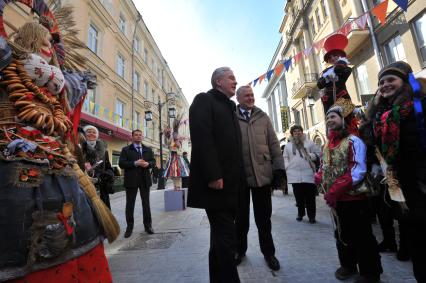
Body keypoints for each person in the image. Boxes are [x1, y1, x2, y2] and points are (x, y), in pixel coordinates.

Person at [362, 61, 426, 282]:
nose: (385, 84)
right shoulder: (383, 116)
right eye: (381, 82)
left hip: (421, 183)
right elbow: (370, 143)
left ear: (405, 81)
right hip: (402, 189)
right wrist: (372, 111)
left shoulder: (419, 105)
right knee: (418, 248)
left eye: (391, 79)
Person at [315, 106, 382, 282]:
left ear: (343, 119)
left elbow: (357, 170)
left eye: (334, 116)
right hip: (336, 201)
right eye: (328, 117)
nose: (330, 119)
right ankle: (348, 265)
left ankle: (370, 272)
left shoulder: (354, 141)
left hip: (354, 198)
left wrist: (335, 190)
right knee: (342, 234)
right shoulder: (327, 145)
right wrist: (319, 176)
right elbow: (325, 165)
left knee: (362, 236)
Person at [188, 67, 243, 283]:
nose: (235, 81)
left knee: (220, 239)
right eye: (231, 77)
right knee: (226, 239)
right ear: (218, 81)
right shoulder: (204, 100)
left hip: (231, 185)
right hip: (217, 185)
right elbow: (202, 139)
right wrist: (213, 174)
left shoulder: (229, 107)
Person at [234, 85, 284, 271]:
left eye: (252, 95)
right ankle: (239, 250)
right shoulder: (232, 116)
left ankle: (269, 253)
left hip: (262, 174)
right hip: (240, 177)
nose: (250, 97)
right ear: (238, 98)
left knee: (264, 218)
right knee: (240, 219)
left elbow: (274, 143)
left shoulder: (263, 117)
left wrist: (279, 170)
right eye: (246, 95)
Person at [317, 34, 358, 135]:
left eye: (335, 55)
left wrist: (340, 63)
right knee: (332, 124)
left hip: (342, 99)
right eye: (330, 57)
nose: (332, 58)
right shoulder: (326, 71)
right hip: (329, 101)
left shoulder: (345, 67)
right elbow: (319, 84)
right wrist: (326, 78)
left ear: (340, 56)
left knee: (348, 123)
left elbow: (341, 71)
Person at [119, 129, 156, 238]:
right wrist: (134, 163)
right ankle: (129, 228)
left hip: (145, 180)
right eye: (136, 135)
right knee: (130, 205)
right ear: (132, 137)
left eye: (140, 135)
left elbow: (153, 162)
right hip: (131, 180)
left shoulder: (147, 149)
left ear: (142, 137)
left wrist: (148, 164)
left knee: (146, 204)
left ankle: (148, 226)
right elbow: (121, 163)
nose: (138, 136)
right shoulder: (126, 150)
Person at [284, 125, 320, 223]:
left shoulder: (310, 143)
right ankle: (300, 213)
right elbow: (285, 157)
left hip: (308, 173)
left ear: (302, 132)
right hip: (294, 174)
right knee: (299, 198)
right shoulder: (288, 145)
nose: (297, 133)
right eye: (295, 131)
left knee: (310, 198)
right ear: (292, 134)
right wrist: (287, 166)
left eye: (299, 131)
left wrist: (310, 155)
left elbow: (318, 154)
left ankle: (311, 216)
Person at [80, 125, 114, 209]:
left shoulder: (104, 151)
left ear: (97, 135)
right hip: (84, 185)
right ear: (84, 134)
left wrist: (108, 174)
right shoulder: (79, 149)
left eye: (94, 132)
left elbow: (108, 167)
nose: (91, 134)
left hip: (101, 186)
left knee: (102, 212)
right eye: (88, 132)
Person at [163, 116, 190, 190]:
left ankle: (177, 187)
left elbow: (176, 146)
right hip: (174, 157)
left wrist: (176, 141)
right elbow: (172, 146)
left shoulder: (176, 138)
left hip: (176, 157)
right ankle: (176, 187)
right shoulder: (172, 138)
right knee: (175, 173)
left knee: (176, 173)